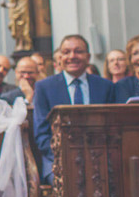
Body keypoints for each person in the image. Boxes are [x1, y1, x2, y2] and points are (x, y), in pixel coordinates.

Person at [32, 35, 115, 184]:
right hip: (57, 160)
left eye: (78, 51)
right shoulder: (44, 87)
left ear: (88, 57)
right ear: (59, 57)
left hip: (99, 158)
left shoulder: (105, 86)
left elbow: (112, 127)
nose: (72, 56)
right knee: (71, 183)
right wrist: (65, 155)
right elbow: (41, 134)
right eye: (66, 52)